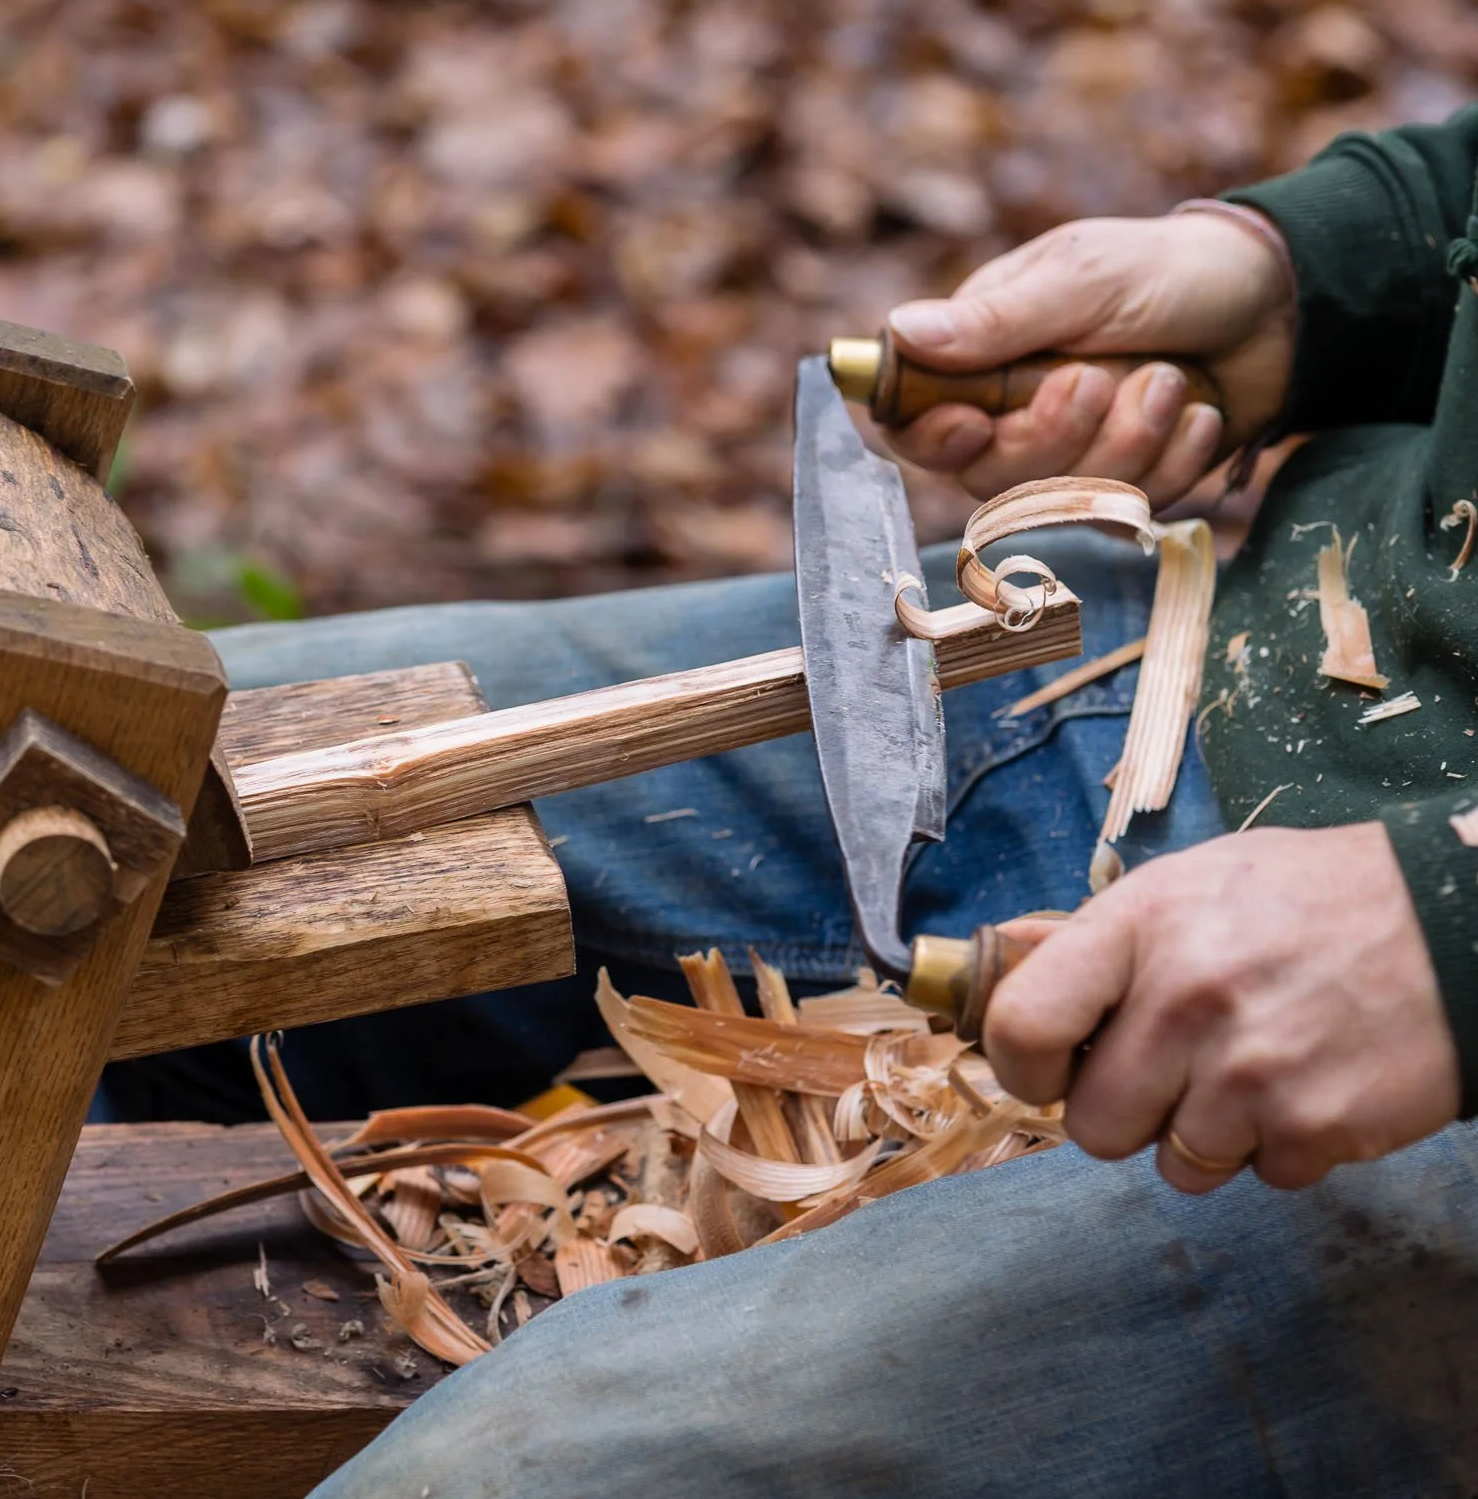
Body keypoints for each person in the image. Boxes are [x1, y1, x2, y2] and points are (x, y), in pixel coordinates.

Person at [124, 111, 1478, 1493]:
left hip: (1418, 1021)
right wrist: (1313, 276)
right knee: (155, 776)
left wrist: (1449, 930)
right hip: (1242, 660)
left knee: (517, 1473)